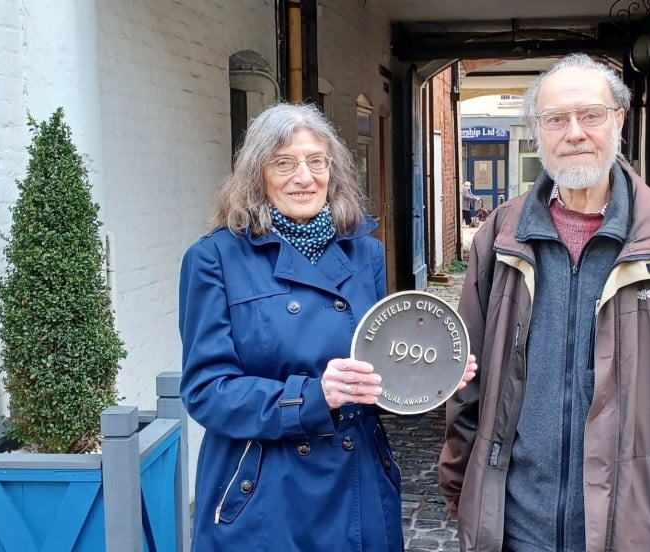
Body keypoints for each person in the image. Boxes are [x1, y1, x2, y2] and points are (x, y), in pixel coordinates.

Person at [438, 54, 650, 551]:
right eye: (556, 119)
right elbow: (465, 382)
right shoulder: (501, 237)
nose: (575, 133)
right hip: (516, 531)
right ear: (538, 131)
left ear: (619, 120)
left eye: (591, 115)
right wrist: (463, 490)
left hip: (627, 531)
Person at [179, 103, 477, 551]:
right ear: (256, 174)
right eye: (284, 163)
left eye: (316, 161)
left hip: (356, 480)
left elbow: (378, 367)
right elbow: (206, 390)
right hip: (264, 491)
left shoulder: (364, 253)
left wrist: (433, 377)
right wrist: (312, 397)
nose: (304, 177)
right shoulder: (214, 259)